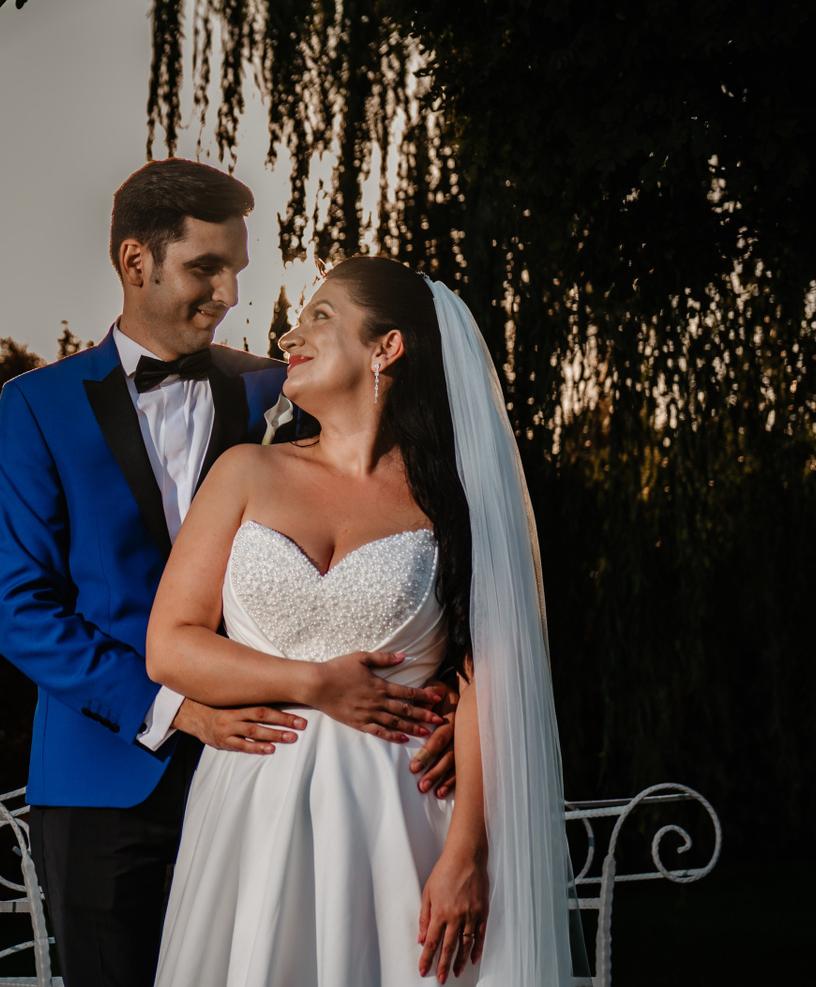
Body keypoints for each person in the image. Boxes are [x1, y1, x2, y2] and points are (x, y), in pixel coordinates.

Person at [0, 167, 458, 987]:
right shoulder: (39, 407)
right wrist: (177, 706)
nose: (231, 293)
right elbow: (23, 610)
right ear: (136, 261)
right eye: (206, 267)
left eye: (236, 268)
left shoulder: (284, 385)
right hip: (106, 774)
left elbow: (404, 528)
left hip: (281, 772)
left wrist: (441, 690)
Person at [147, 256, 574, 987]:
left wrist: (467, 852)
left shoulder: (454, 500)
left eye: (320, 315)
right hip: (253, 809)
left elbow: (489, 676)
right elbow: (170, 647)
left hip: (403, 820)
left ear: (387, 347)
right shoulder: (245, 471)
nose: (289, 336)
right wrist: (313, 684)